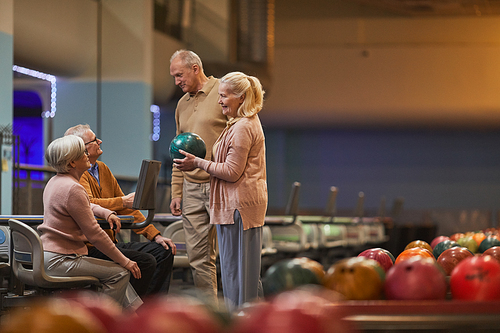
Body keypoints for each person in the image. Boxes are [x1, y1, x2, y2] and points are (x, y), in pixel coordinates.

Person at [174, 71, 267, 313]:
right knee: (240, 275)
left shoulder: (243, 127)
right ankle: (248, 321)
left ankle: (242, 322)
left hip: (239, 208)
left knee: (239, 276)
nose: (219, 101)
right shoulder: (237, 123)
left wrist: (197, 162)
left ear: (241, 97)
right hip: (236, 206)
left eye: (224, 96)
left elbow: (231, 172)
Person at [64, 124, 176, 297]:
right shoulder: (77, 173)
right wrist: (122, 201)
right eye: (94, 140)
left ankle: (150, 309)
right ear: (82, 147)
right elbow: (89, 203)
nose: (100, 141)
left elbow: (126, 207)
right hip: (90, 247)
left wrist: (156, 235)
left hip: (110, 243)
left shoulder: (102, 169)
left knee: (163, 251)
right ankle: (133, 310)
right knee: (145, 262)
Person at [39, 135, 142, 308]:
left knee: (117, 271)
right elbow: (95, 235)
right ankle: (102, 322)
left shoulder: (56, 181)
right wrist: (126, 261)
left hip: (48, 256)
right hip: (62, 260)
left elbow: (87, 204)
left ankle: (137, 317)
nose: (87, 155)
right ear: (72, 163)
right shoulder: (73, 188)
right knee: (120, 273)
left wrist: (106, 212)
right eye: (83, 153)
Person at [169, 49, 227, 300]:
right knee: (198, 257)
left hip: (221, 185)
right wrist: (176, 191)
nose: (176, 81)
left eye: (179, 75)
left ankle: (244, 311)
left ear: (195, 68)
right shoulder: (181, 104)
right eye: (173, 76)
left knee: (232, 253)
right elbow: (177, 150)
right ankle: (211, 314)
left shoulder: (223, 92)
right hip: (191, 190)